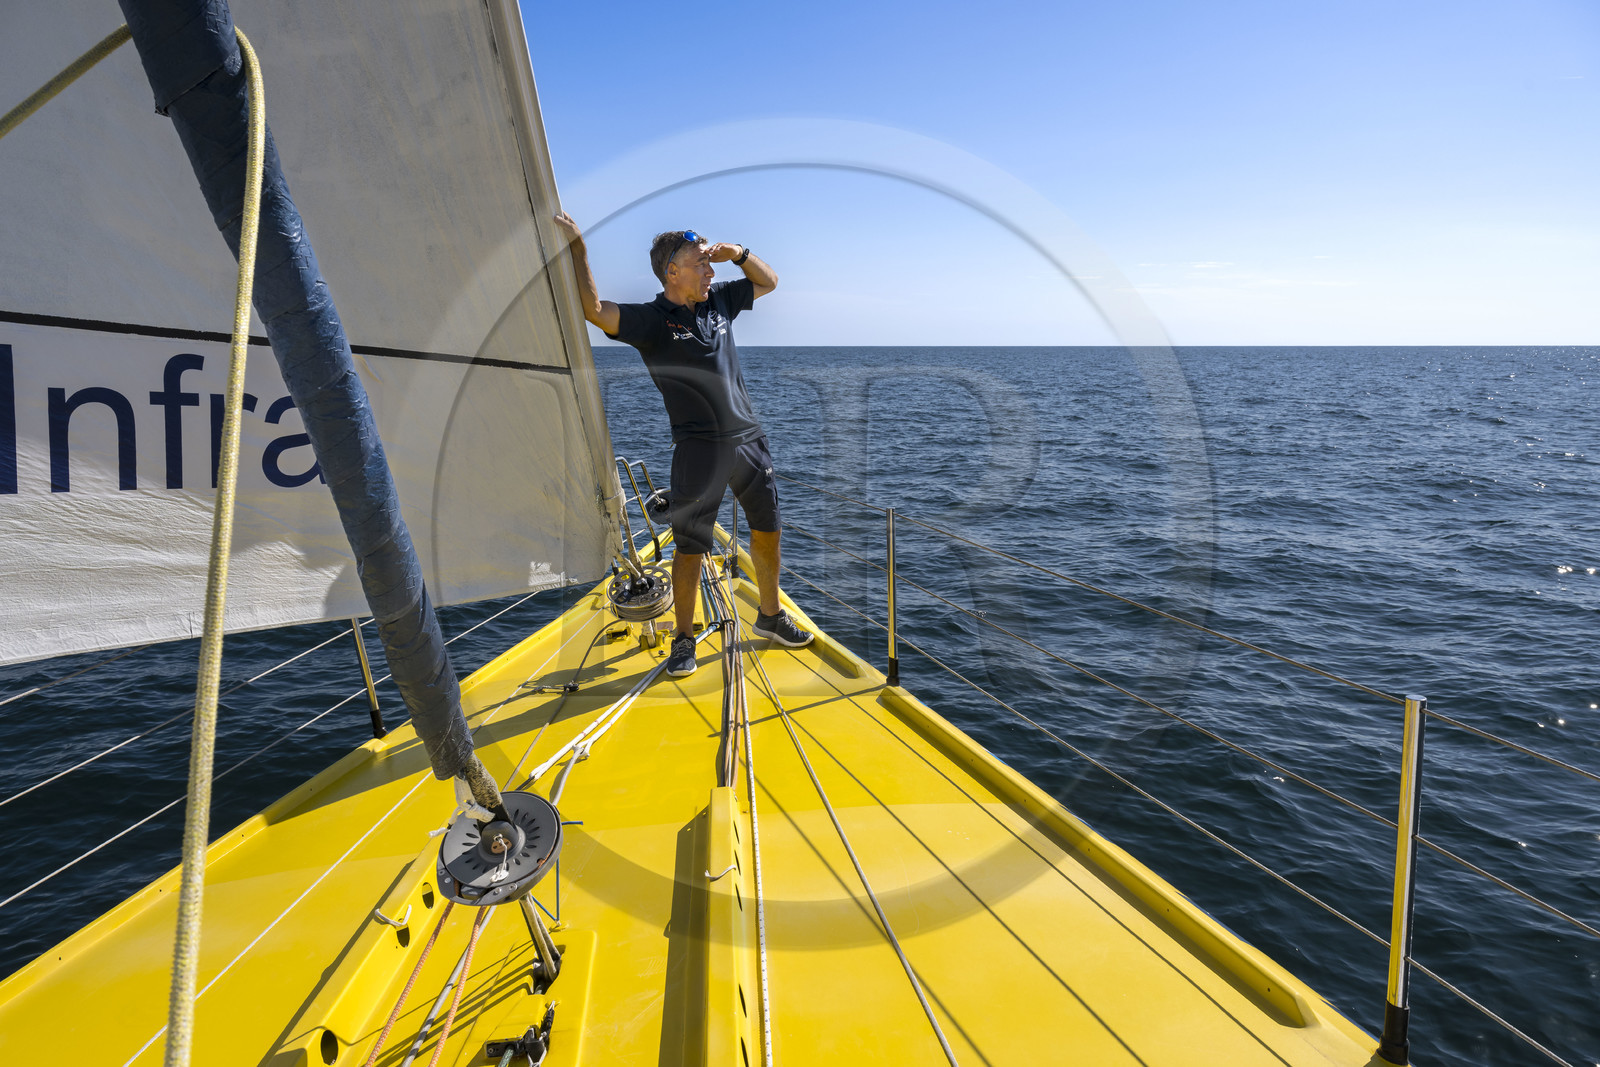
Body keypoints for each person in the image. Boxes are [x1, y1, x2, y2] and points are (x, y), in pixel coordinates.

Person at [553, 212, 812, 678]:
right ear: (672, 272)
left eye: (712, 265)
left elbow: (769, 282)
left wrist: (738, 253)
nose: (712, 272)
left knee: (768, 530)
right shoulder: (651, 321)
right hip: (698, 450)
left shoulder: (722, 303)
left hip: (750, 441)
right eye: (701, 263)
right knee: (692, 548)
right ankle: (684, 639)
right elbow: (595, 311)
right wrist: (578, 249)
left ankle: (770, 617)